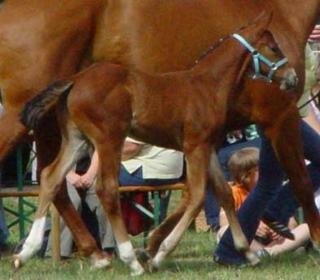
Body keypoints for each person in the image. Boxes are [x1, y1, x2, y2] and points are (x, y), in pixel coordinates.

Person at [214, 43, 320, 265]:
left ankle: (229, 251)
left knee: (269, 183)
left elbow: (304, 95)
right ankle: (276, 209)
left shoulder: (301, 39)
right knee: (270, 185)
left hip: (289, 116)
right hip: (276, 114)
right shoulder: (279, 36)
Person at [217, 147, 282, 250]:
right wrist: (251, 226)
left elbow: (290, 220)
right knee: (224, 231)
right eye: (257, 170)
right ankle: (265, 251)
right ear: (242, 177)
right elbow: (224, 222)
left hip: (273, 238)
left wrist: (279, 228)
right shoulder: (234, 193)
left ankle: (270, 251)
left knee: (303, 228)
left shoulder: (273, 191)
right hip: (250, 238)